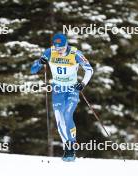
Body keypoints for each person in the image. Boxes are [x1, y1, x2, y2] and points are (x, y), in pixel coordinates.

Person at [30, 33, 94, 161]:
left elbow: (89, 70)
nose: (59, 51)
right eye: (57, 48)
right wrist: (39, 62)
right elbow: (33, 70)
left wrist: (82, 84)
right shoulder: (49, 52)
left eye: (62, 48)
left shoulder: (75, 53)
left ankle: (71, 145)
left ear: (66, 45)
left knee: (67, 114)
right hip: (58, 89)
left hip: (71, 89)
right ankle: (67, 148)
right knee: (60, 120)